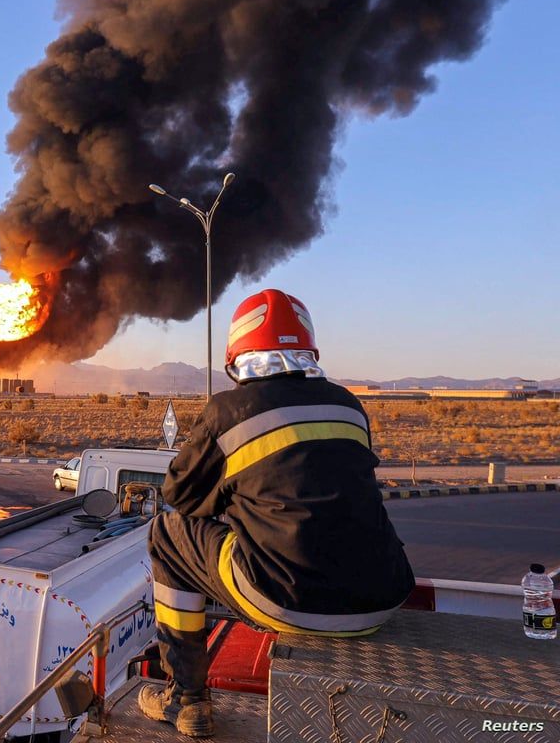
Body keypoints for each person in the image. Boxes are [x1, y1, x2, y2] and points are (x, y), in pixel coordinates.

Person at [139, 288, 415, 738]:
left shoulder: (229, 411)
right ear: (309, 349)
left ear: (238, 354)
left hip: (288, 599)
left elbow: (181, 497)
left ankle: (185, 698)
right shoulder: (348, 405)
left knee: (168, 534)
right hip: (382, 597)